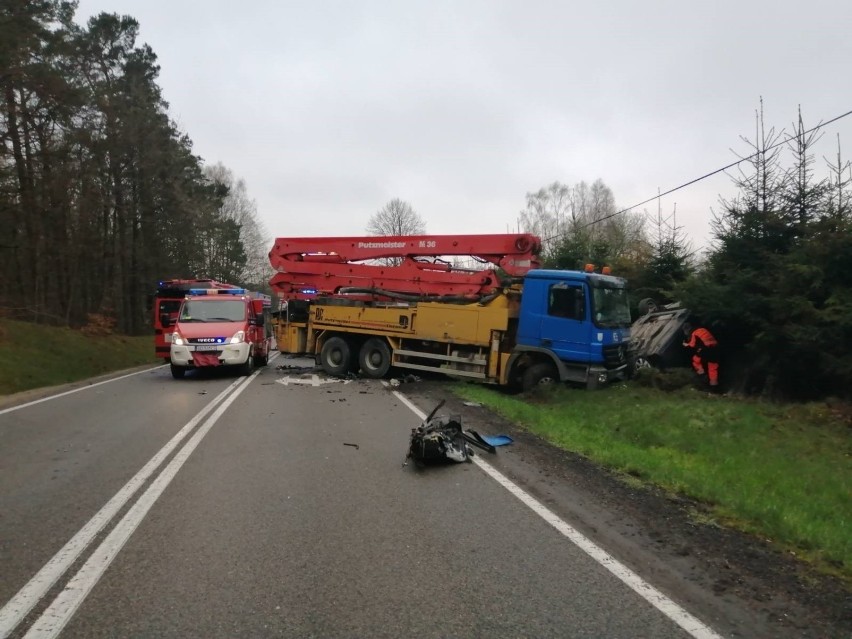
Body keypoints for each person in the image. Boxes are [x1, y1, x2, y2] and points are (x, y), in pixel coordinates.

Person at [682, 322, 719, 388]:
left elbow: (692, 345)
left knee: (695, 359)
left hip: (706, 349)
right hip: (715, 349)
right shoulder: (702, 329)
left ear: (687, 329)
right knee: (712, 367)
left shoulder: (694, 333)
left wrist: (685, 344)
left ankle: (702, 374)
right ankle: (714, 385)